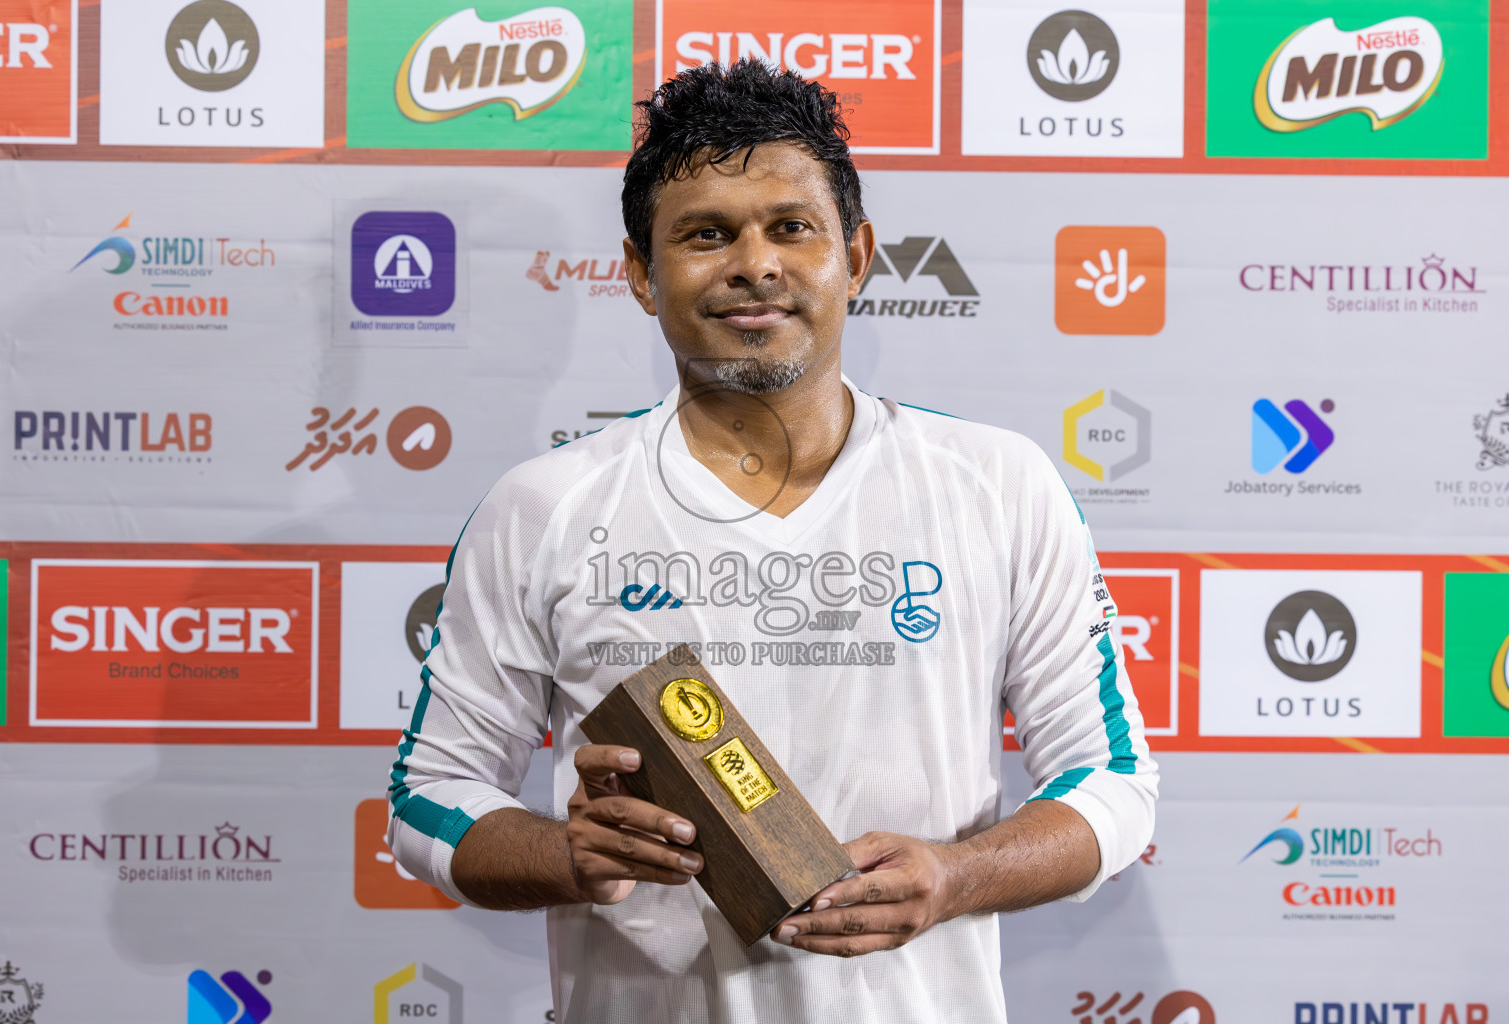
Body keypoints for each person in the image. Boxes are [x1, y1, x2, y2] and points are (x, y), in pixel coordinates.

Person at [387, 58, 1158, 1023]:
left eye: (791, 227)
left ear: (859, 254)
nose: (755, 264)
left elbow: (1115, 785)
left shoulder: (998, 486)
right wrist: (566, 855)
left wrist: (955, 877)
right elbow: (428, 797)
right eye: (706, 234)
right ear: (638, 271)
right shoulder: (543, 507)